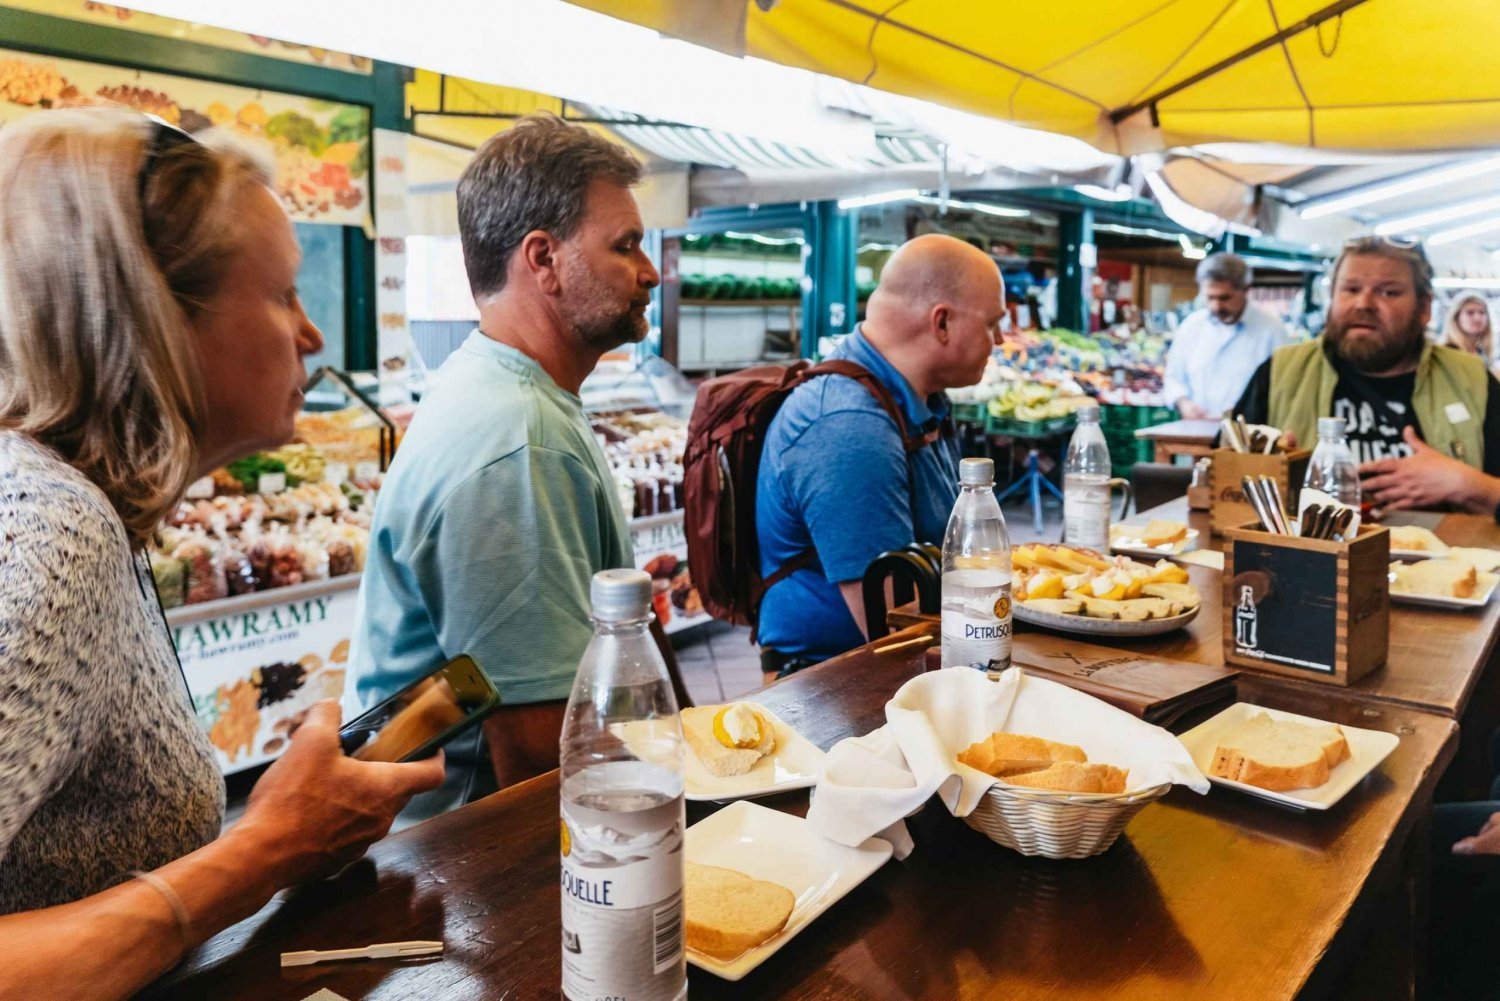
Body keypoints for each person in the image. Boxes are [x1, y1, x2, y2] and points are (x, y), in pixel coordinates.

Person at [0, 109, 443, 998]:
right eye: (284, 294)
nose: (312, 335)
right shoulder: (55, 531)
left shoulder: (71, 507)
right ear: (159, 317)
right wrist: (265, 848)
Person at [348, 113, 658, 801]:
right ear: (544, 259)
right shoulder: (520, 443)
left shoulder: (503, 392)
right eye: (626, 245)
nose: (651, 271)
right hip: (455, 877)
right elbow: (541, 758)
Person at [755, 234, 1002, 675]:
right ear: (941, 323)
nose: (999, 339)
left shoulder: (919, 398)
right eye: (992, 323)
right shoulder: (847, 426)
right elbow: (894, 627)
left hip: (905, 657)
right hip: (831, 682)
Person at [1233, 237, 1500, 516]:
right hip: (1313, 556)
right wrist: (1268, 471)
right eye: (1350, 289)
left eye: (1388, 292)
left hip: (1449, 555)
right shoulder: (1281, 372)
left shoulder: (1472, 381)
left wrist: (1466, 485)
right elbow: (1220, 486)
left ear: (1424, 309)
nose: (1364, 303)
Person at [1163, 253, 1290, 419]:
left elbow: (1285, 388)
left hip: (1250, 437)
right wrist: (1183, 403)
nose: (1216, 306)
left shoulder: (1272, 331)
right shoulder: (1191, 327)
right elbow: (1174, 377)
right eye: (1210, 297)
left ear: (1245, 290)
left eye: (1225, 298)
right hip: (1196, 432)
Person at [1442, 292, 1494, 366]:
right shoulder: (1446, 351)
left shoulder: (1481, 352)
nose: (1477, 318)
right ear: (1456, 318)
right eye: (1470, 313)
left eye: (1482, 312)